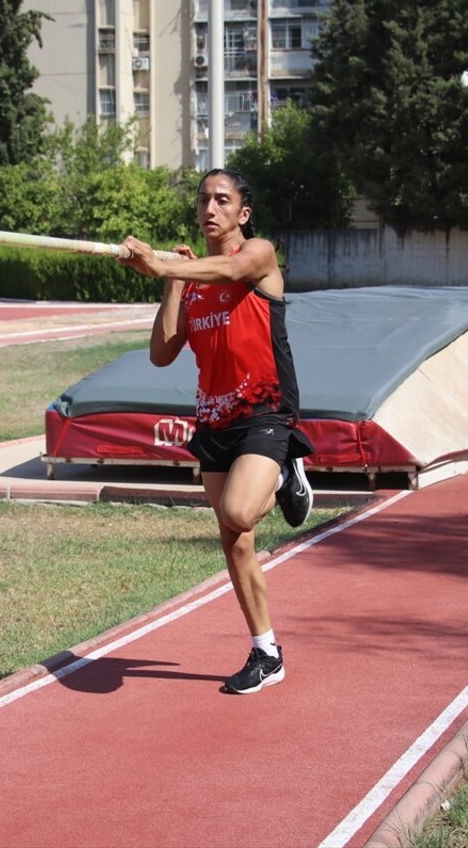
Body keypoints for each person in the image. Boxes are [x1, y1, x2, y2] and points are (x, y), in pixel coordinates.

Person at [117, 168, 314, 695]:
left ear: (242, 214)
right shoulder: (194, 277)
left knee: (236, 510)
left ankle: (283, 469)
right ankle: (266, 651)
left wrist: (159, 261)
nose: (210, 209)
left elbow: (230, 272)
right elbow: (161, 354)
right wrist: (174, 279)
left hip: (264, 407)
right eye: (203, 199)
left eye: (222, 200)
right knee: (236, 541)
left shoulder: (258, 256)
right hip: (215, 418)